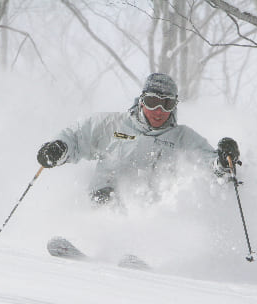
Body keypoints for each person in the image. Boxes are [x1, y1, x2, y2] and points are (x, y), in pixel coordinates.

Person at [36, 73, 241, 206]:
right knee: (106, 202)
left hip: (150, 211)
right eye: (152, 102)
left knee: (153, 208)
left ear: (174, 106)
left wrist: (224, 161)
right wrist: (59, 148)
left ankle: (145, 253)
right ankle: (90, 241)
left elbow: (208, 165)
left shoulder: (182, 138)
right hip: (103, 198)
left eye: (167, 104)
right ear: (142, 101)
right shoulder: (113, 124)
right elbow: (78, 136)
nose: (159, 111)